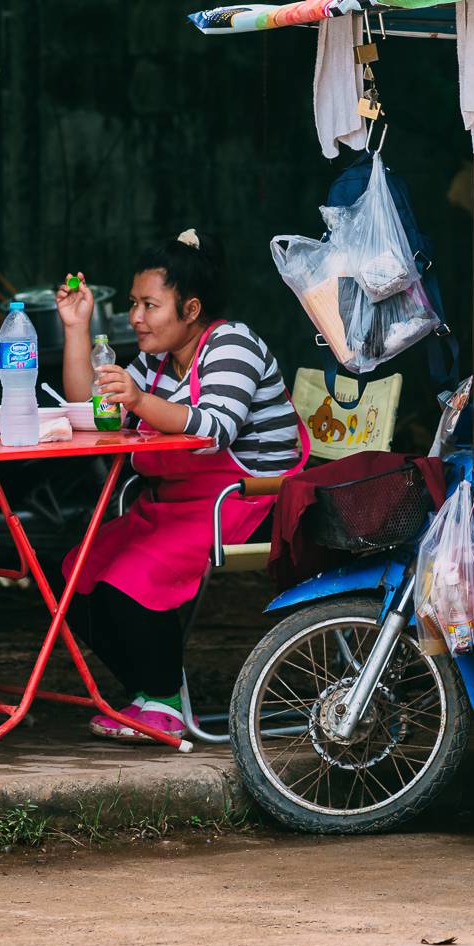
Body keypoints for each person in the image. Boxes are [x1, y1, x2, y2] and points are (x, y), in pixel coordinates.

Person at [58, 229, 307, 741]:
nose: (136, 317)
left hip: (242, 502)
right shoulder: (157, 357)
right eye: (133, 304)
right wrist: (77, 329)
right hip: (172, 504)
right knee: (76, 574)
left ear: (191, 308)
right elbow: (94, 409)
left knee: (129, 576)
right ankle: (153, 690)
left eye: (150, 305)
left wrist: (138, 401)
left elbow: (215, 428)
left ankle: (164, 699)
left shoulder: (232, 343)